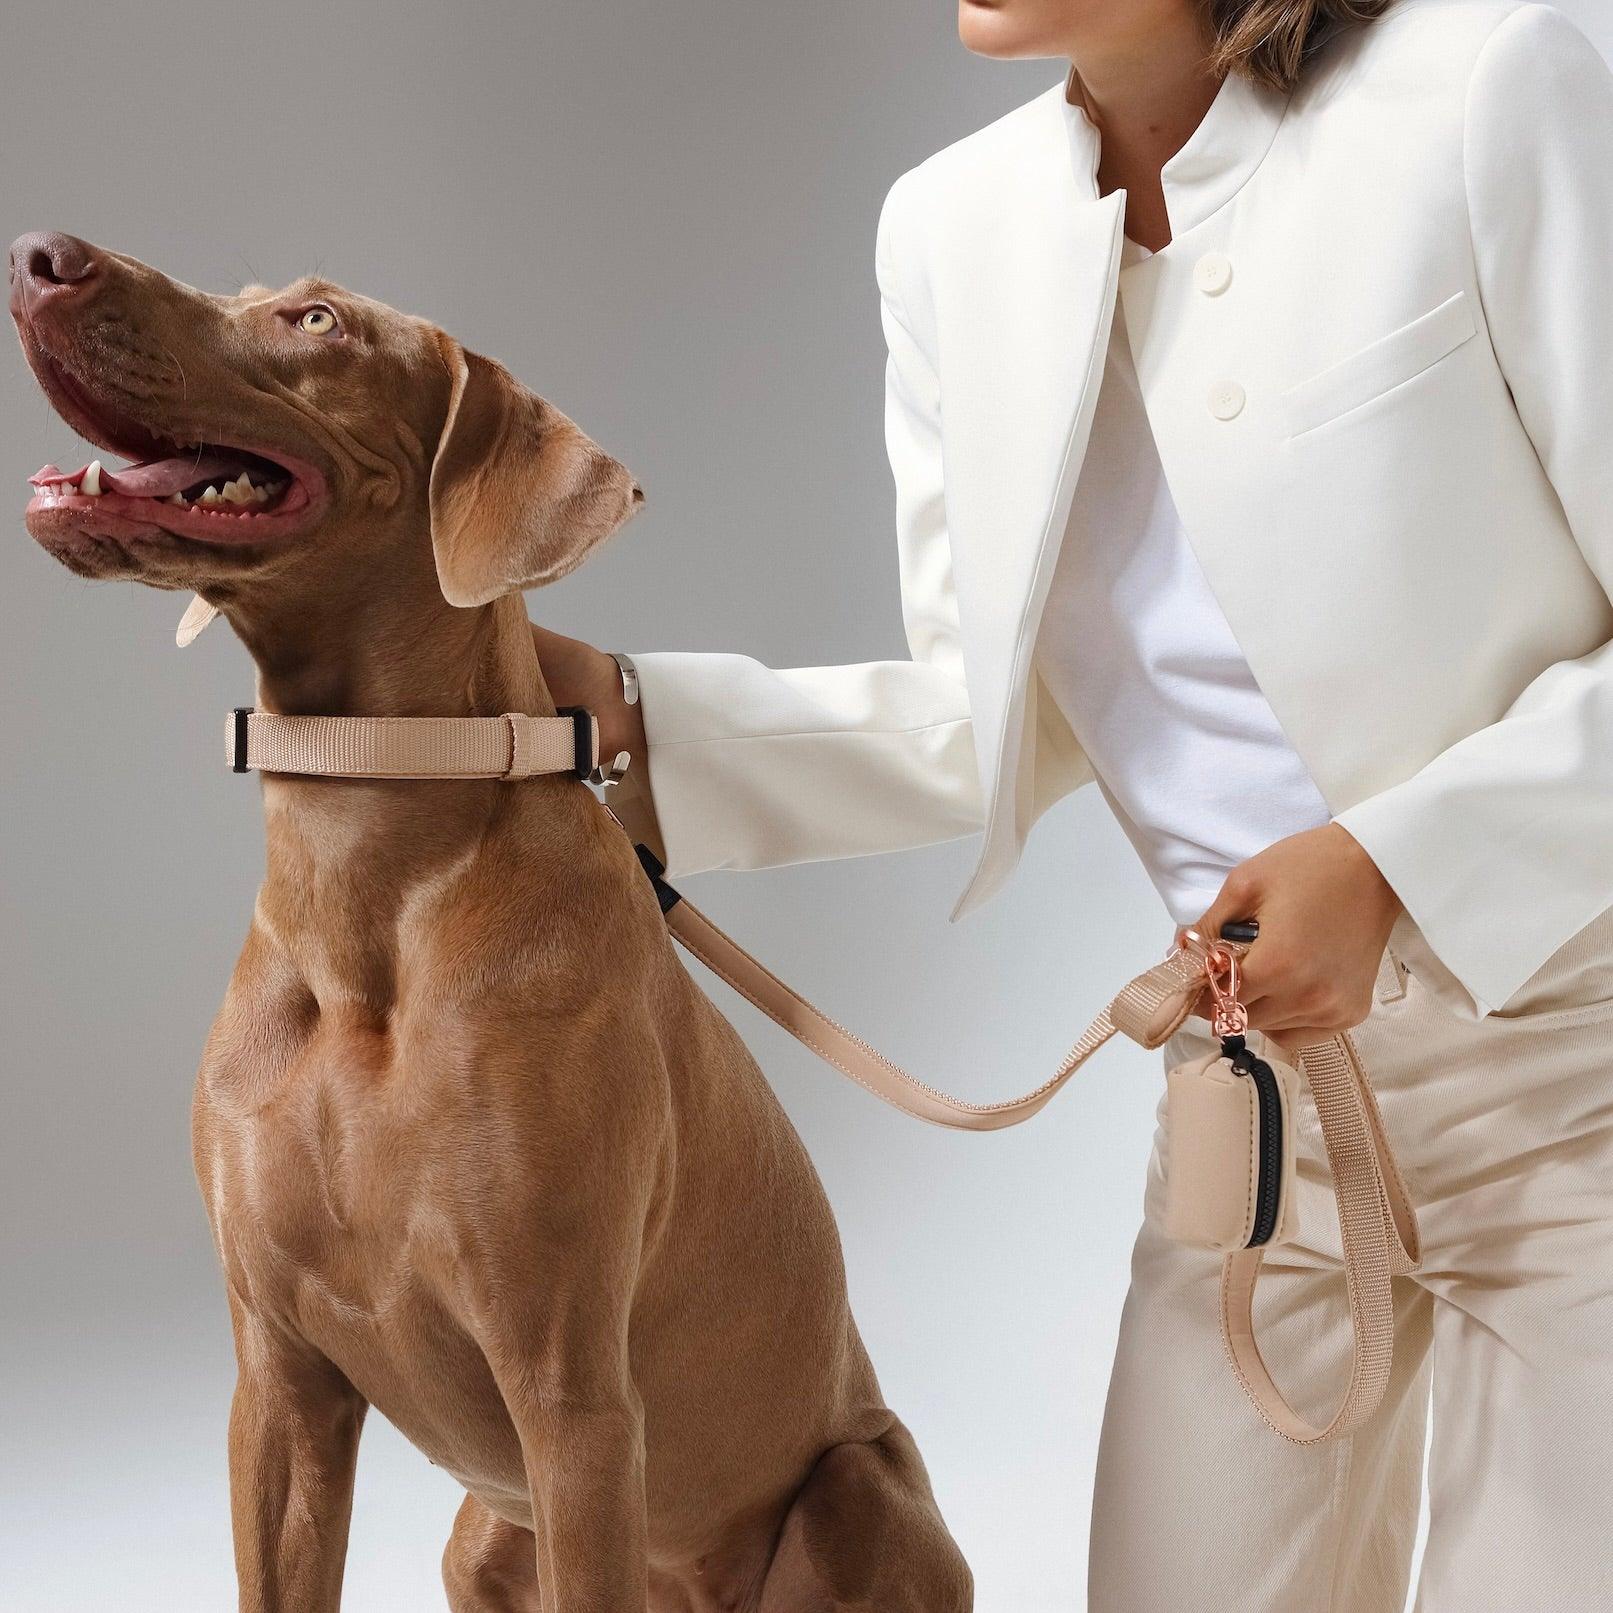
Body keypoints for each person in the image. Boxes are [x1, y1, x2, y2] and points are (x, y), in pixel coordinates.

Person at [538, 1, 1613, 1606]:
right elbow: (988, 715)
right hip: (1244, 1101)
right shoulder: (951, 229)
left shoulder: (1485, 86)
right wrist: (630, 722)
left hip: (1579, 1082)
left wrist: (1389, 862)